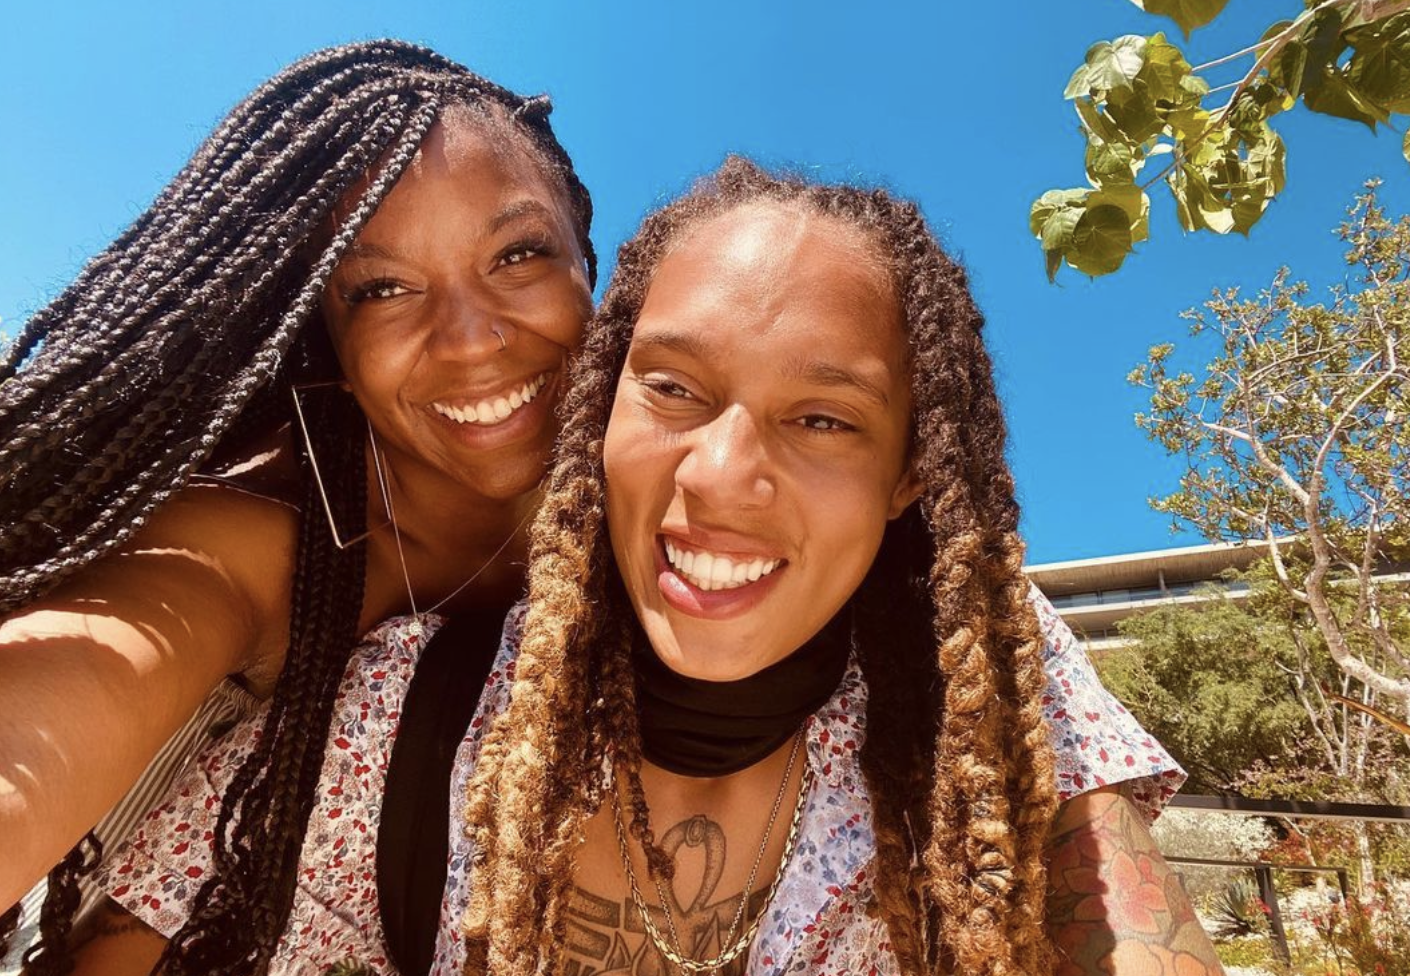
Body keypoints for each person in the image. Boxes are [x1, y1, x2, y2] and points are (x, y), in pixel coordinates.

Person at [79, 158, 1212, 975]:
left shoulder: (990, 690)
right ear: (598, 407)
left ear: (910, 474)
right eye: (672, 387)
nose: (720, 476)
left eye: (822, 419)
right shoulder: (413, 710)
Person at [0, 40, 595, 974]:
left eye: (519, 254)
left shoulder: (673, 501)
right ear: (324, 330)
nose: (471, 339)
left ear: (585, 269)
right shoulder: (254, 536)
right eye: (384, 288)